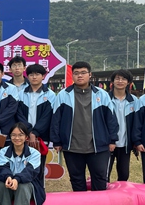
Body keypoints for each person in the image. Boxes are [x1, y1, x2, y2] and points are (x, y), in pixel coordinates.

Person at [50, 61, 118, 192]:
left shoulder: (101, 94)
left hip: (98, 146)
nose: (79, 76)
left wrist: (112, 139)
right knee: (76, 179)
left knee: (100, 178)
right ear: (72, 75)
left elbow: (111, 119)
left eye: (83, 73)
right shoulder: (64, 95)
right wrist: (56, 141)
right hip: (72, 147)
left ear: (90, 75)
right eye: (76, 73)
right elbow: (56, 119)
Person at [0, 122, 46, 205]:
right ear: (10, 136)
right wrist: (8, 177)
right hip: (9, 181)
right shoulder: (2, 152)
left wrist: (17, 179)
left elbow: (30, 172)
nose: (17, 138)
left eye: (20, 135)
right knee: (2, 184)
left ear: (26, 137)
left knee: (23, 185)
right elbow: (3, 169)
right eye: (14, 135)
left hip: (29, 183)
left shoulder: (35, 154)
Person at [16, 64, 56, 180]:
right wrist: (28, 131)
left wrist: (35, 132)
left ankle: (38, 189)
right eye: (31, 74)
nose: (34, 77)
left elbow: (47, 117)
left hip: (41, 137)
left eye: (37, 74)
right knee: (22, 165)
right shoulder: (21, 94)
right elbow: (19, 114)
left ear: (43, 76)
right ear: (27, 76)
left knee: (39, 166)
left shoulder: (50, 95)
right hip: (23, 135)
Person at [107, 69, 138, 182]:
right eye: (117, 78)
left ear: (128, 82)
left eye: (124, 79)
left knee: (124, 175)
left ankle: (120, 194)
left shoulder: (134, 100)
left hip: (125, 143)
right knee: (104, 174)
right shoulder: (106, 98)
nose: (120, 81)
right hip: (107, 143)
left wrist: (136, 141)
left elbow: (137, 122)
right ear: (112, 81)